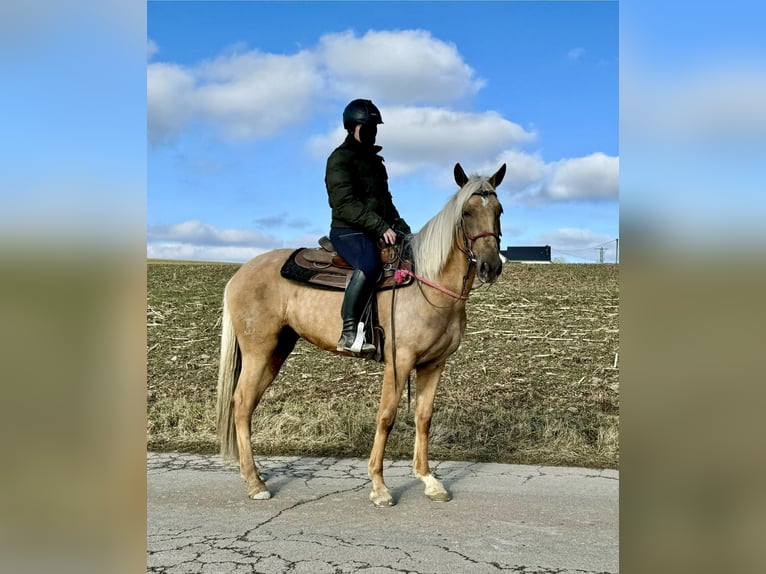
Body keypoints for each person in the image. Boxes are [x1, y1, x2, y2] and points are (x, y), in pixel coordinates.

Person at [325, 98, 411, 354]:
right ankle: (349, 332)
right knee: (370, 263)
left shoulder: (376, 162)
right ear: (354, 128)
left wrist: (403, 229)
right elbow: (344, 204)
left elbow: (386, 203)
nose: (373, 132)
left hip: (376, 227)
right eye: (368, 127)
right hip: (348, 230)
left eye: (375, 127)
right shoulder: (339, 159)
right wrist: (379, 226)